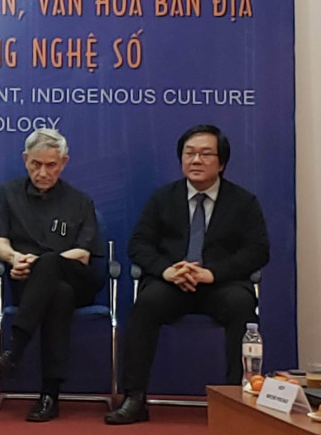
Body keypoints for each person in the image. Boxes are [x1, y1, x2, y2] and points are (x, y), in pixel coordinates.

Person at [105, 124, 270, 425]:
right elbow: (139, 244)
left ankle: (236, 401)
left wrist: (212, 273)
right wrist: (167, 270)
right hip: (172, 283)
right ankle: (135, 398)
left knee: (242, 307)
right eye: (189, 153)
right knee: (145, 305)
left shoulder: (244, 202)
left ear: (221, 162)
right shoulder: (163, 198)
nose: (195, 160)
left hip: (221, 285)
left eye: (205, 154)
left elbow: (257, 251)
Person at [0, 128, 105, 422]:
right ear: (25, 159)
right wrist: (14, 259)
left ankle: (15, 349)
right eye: (36, 164)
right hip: (28, 282)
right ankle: (50, 395)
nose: (43, 172)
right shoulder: (6, 194)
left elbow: (83, 254)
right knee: (58, 294)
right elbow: (0, 242)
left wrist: (40, 263)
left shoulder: (80, 201)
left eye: (51, 165)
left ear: (64, 163)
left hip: (79, 281)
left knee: (51, 265)